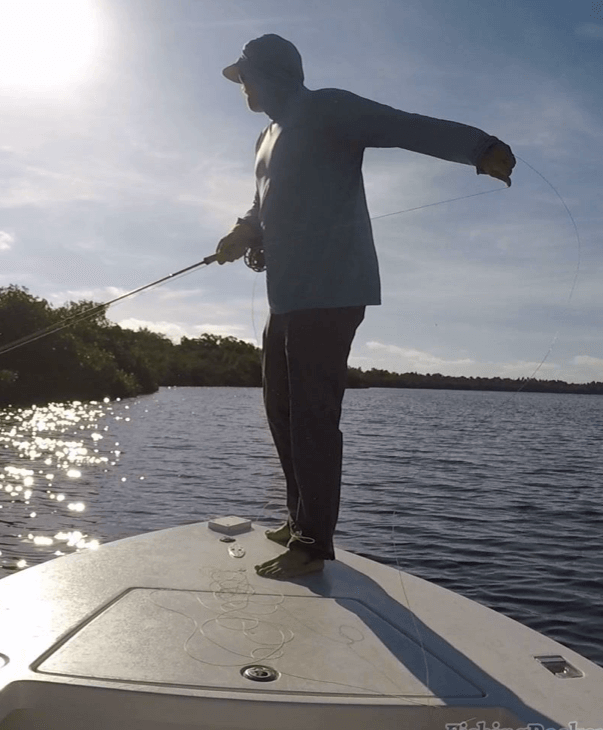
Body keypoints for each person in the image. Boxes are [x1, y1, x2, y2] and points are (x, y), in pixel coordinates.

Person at [213, 34, 516, 579]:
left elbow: (403, 125)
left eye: (247, 76)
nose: (242, 87)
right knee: (280, 409)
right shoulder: (265, 137)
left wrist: (480, 147)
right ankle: (299, 518)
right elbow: (263, 205)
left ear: (275, 75)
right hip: (286, 294)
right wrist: (243, 231)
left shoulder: (327, 108)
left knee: (313, 416)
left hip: (332, 290)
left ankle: (312, 543)